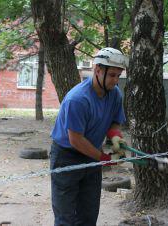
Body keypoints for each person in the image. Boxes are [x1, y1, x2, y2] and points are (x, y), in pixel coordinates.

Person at [50, 47, 128, 226]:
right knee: (65, 218)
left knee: (88, 215)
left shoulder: (115, 94)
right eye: (112, 75)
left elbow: (115, 122)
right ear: (98, 70)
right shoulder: (77, 99)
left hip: (91, 155)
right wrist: (104, 158)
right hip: (66, 157)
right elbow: (75, 139)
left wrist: (115, 138)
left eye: (118, 75)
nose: (115, 81)